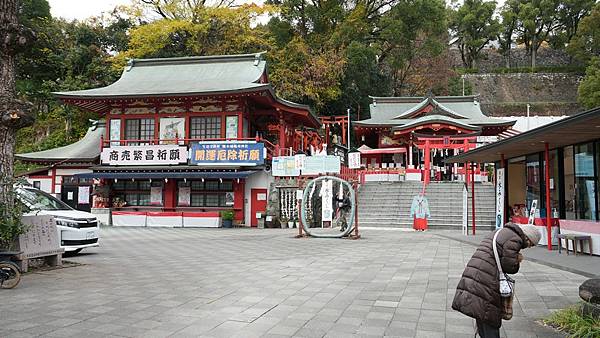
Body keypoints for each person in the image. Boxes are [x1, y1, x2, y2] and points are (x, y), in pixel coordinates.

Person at [451, 222, 541, 338]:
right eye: (531, 244)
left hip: (477, 271)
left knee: (481, 311)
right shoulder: (515, 239)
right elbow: (509, 265)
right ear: (528, 238)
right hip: (487, 277)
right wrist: (518, 260)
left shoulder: (500, 231)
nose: (528, 247)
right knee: (490, 314)